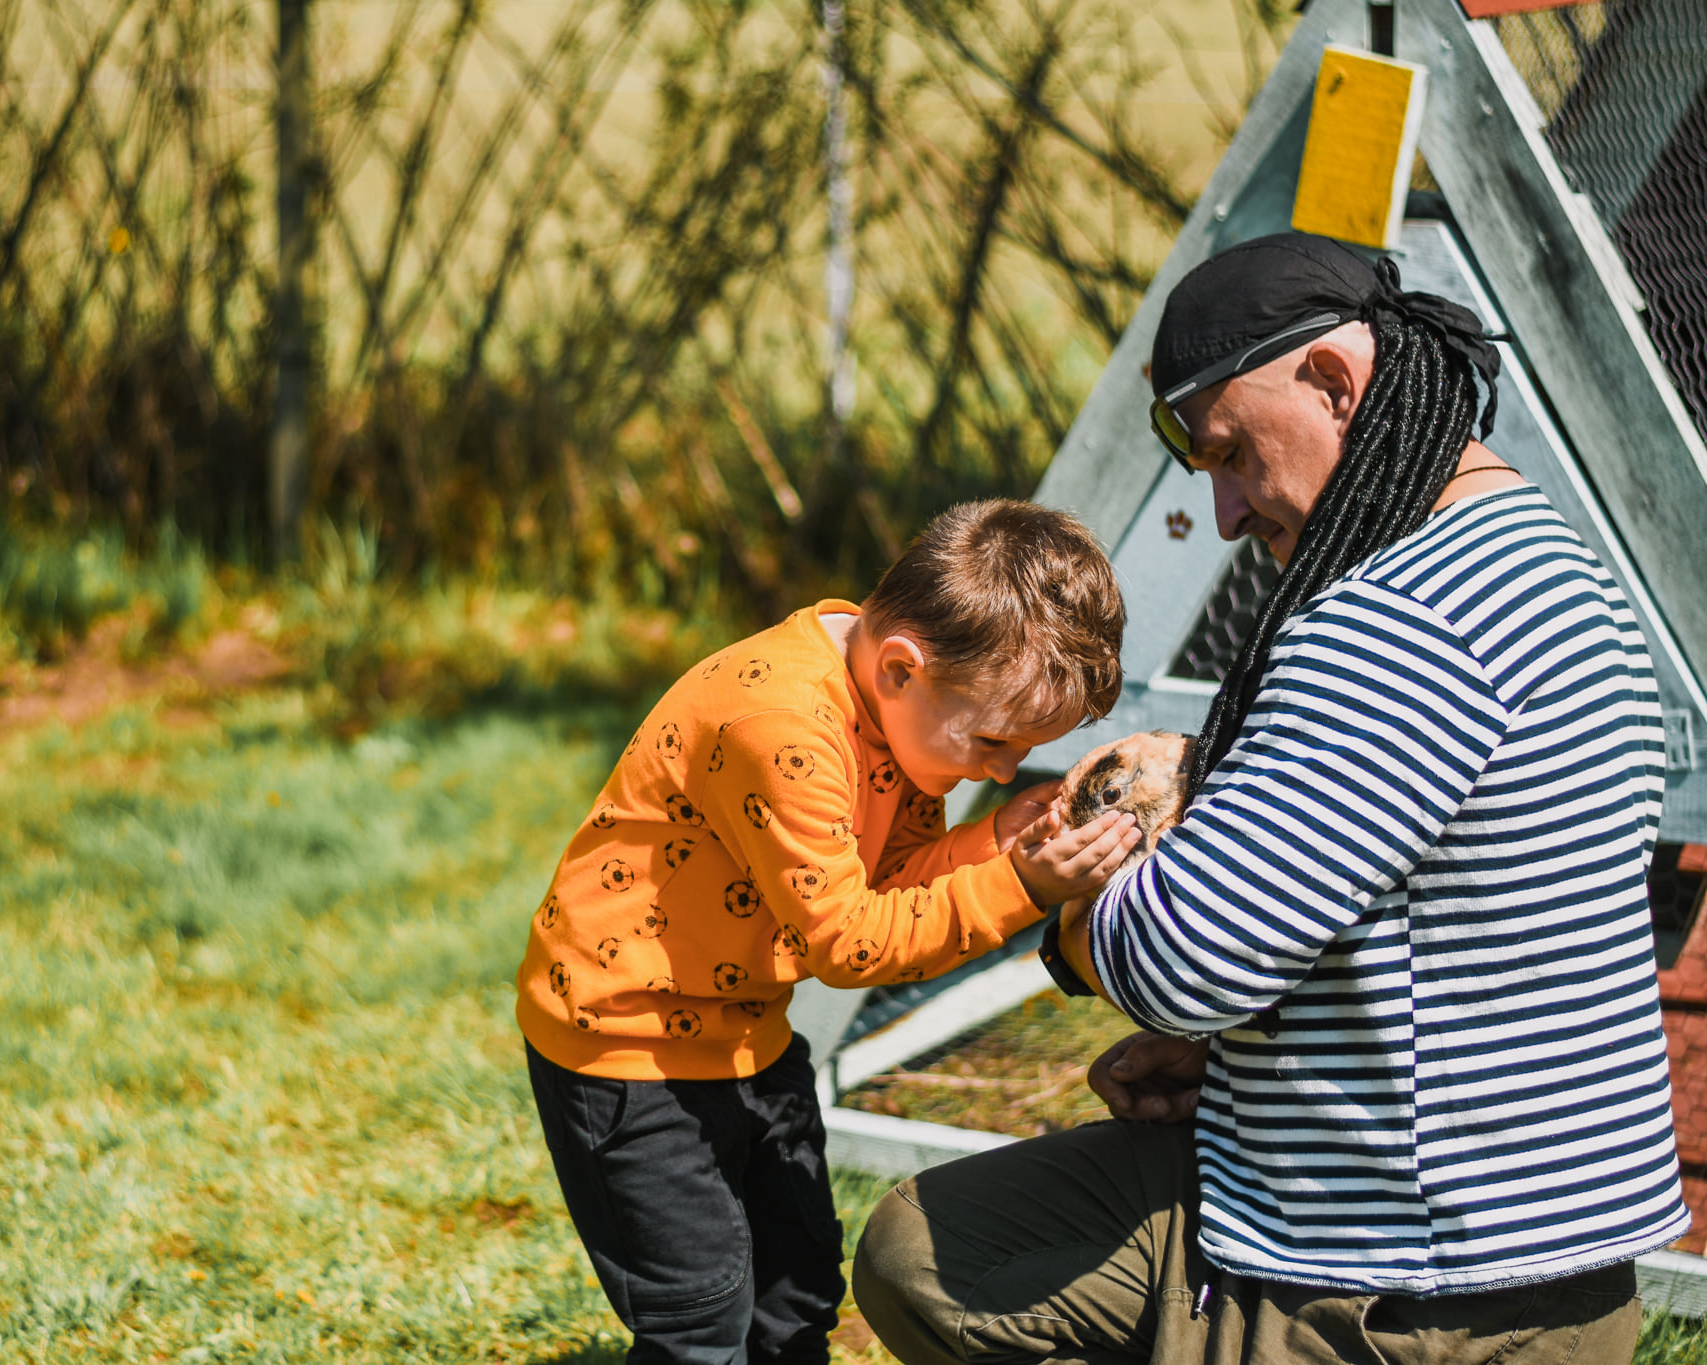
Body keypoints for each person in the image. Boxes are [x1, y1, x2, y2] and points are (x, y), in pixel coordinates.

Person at [851, 233, 1687, 1364]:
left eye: (1231, 453)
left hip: (1400, 1285)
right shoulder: (1551, 567)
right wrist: (1253, 1057)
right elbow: (1458, 929)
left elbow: (1180, 963)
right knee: (928, 1244)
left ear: (1334, 384)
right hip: (1545, 1255)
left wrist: (1080, 885)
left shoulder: (1394, 620)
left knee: (942, 1262)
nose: (1230, 511)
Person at [514, 499, 1142, 1364]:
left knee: (796, 1283)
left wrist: (995, 839)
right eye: (995, 742)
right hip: (627, 1045)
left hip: (743, 1026)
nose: (1000, 770)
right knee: (698, 1313)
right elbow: (849, 939)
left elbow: (891, 876)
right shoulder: (783, 728)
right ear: (899, 667)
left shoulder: (904, 711)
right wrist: (1021, 883)